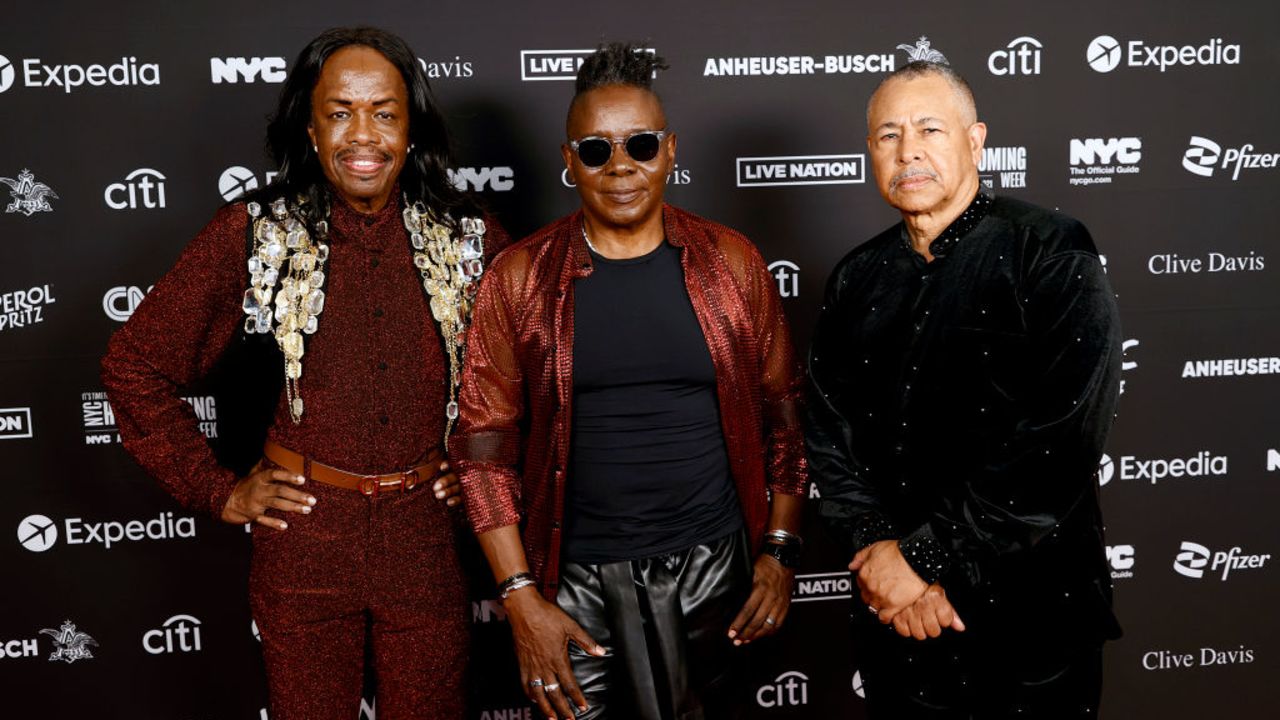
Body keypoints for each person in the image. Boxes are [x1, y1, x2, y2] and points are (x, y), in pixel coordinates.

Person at [101, 26, 506, 720]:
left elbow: (525, 380)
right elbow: (134, 365)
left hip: (424, 540)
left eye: (384, 112)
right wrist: (217, 491)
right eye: (340, 111)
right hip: (306, 540)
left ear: (411, 129)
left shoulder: (469, 237)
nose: (363, 135)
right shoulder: (255, 232)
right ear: (311, 129)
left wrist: (476, 464)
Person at [449, 43, 808, 720]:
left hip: (716, 573)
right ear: (568, 160)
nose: (620, 166)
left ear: (670, 151)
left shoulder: (731, 263)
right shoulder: (520, 277)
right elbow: (483, 446)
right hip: (573, 584)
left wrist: (780, 553)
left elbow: (783, 417)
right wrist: (522, 596)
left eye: (640, 145)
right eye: (595, 149)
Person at [806, 60, 1122, 719]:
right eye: (888, 135)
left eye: (929, 128)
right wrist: (884, 562)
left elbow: (1057, 444)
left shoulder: (1050, 251)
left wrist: (924, 560)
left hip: (1032, 624)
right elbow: (831, 438)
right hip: (897, 625)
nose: (908, 150)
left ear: (975, 140)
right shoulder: (856, 279)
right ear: (870, 151)